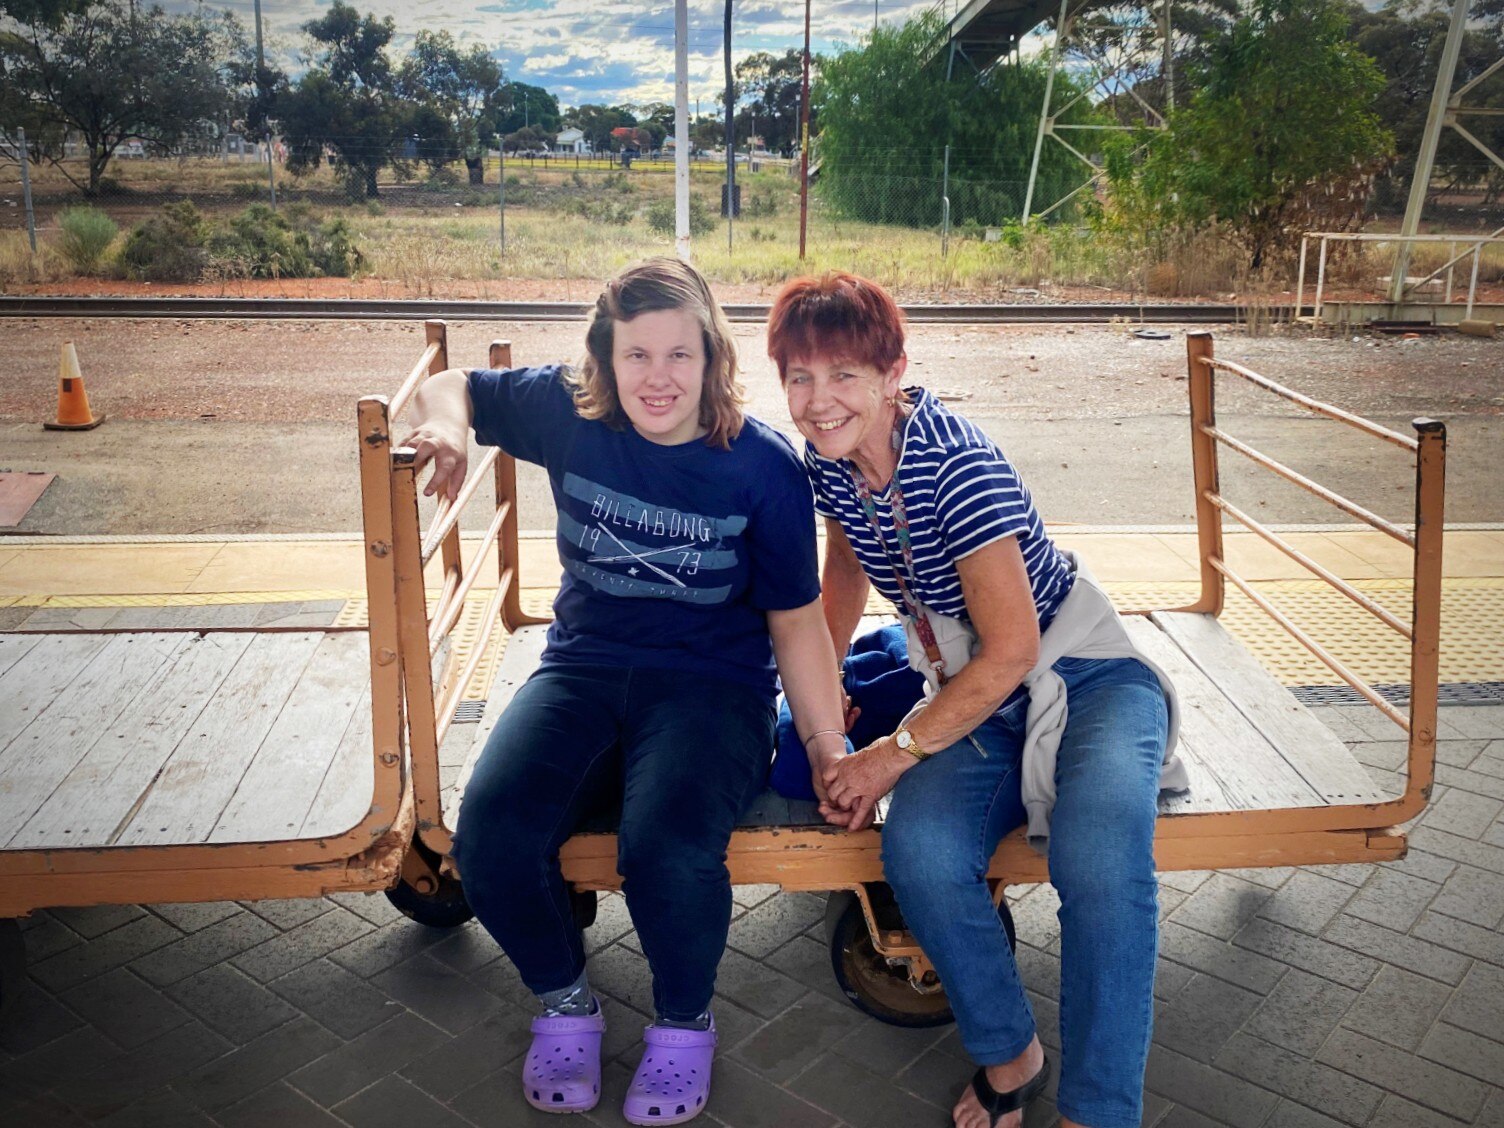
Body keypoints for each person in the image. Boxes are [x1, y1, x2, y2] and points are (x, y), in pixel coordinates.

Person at [404, 258, 847, 1125]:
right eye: (635, 354)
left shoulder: (761, 468)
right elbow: (453, 385)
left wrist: (827, 741)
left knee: (665, 847)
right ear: (604, 358)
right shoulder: (570, 412)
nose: (657, 378)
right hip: (584, 667)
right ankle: (565, 1001)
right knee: (490, 834)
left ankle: (684, 1026)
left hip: (712, 686)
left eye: (679, 355)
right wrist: (452, 430)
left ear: (712, 357)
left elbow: (797, 622)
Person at [766, 272, 1187, 1128]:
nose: (818, 402)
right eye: (799, 378)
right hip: (972, 693)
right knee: (919, 849)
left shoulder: (955, 466)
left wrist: (889, 754)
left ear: (893, 373)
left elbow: (1016, 651)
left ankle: (1098, 1111)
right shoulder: (831, 455)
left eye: (844, 375)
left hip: (1085, 679)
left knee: (1099, 857)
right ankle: (1009, 1052)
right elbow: (845, 563)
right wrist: (829, 681)